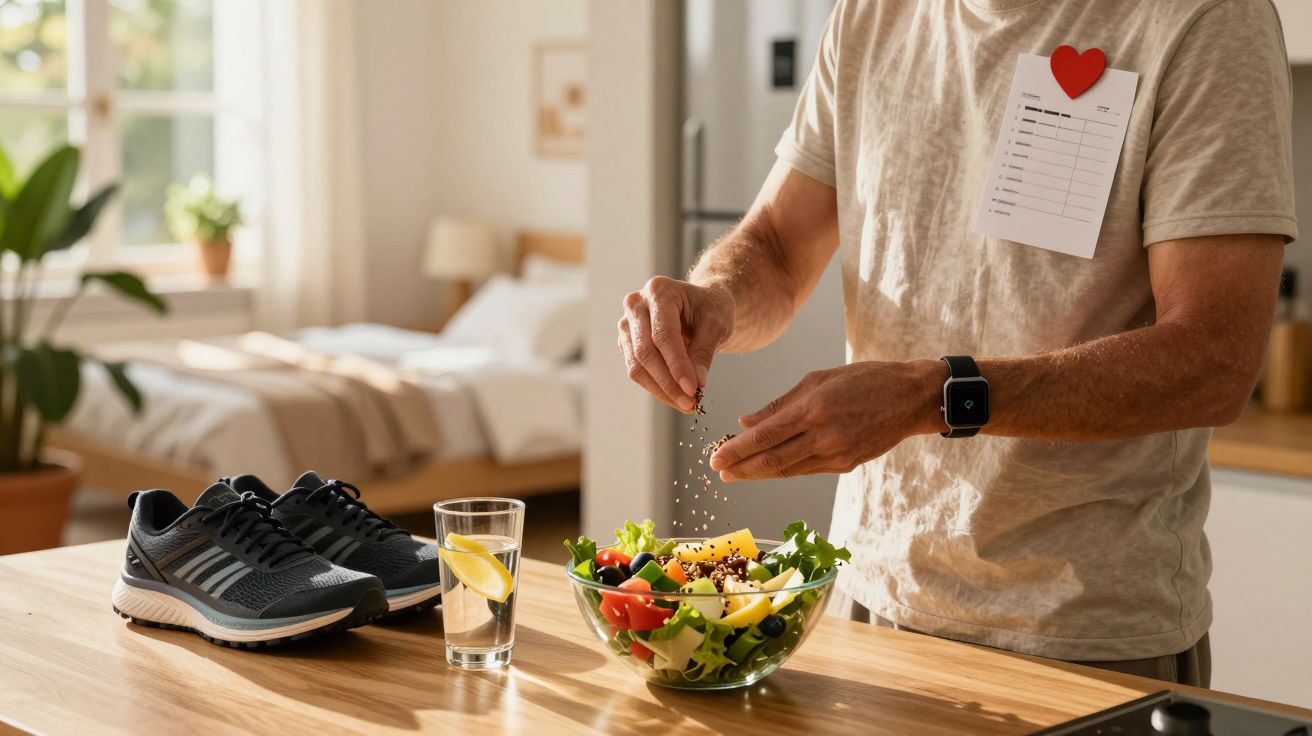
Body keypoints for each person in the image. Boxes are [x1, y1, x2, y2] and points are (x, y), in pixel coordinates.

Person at [616, 0, 1297, 687]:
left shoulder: (1205, 19)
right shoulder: (872, 14)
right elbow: (776, 246)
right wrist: (716, 301)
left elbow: (1214, 359)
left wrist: (930, 395)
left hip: (1080, 631)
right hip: (868, 594)